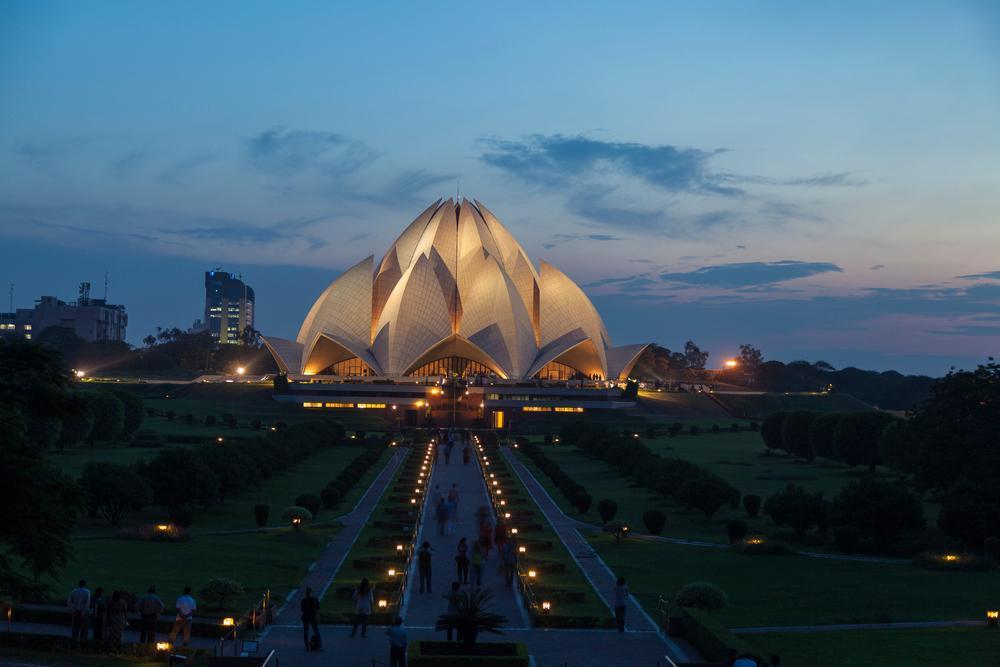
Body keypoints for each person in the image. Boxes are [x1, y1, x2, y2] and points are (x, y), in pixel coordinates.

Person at [67, 579, 90, 644]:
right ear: (85, 584)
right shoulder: (87, 591)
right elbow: (87, 604)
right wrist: (82, 613)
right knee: (84, 629)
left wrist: (74, 610)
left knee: (74, 628)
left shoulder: (74, 591)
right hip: (83, 613)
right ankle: (82, 642)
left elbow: (69, 602)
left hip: (75, 612)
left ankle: (73, 641)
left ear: (78, 584)